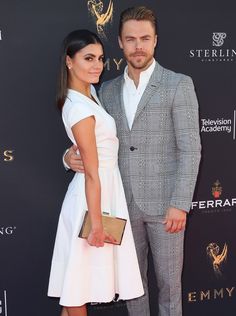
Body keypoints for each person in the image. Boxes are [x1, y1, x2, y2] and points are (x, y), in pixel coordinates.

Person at [64, 6, 201, 316]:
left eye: (145, 39)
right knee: (131, 286)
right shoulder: (105, 91)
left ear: (155, 41)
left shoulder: (178, 84)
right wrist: (67, 156)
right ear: (121, 42)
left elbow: (191, 149)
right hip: (120, 204)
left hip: (166, 205)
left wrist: (180, 202)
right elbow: (90, 139)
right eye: (131, 39)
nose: (138, 46)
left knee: (170, 287)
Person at [47, 29, 144, 316]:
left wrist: (67, 157)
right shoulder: (77, 107)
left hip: (101, 194)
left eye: (100, 58)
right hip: (91, 202)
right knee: (77, 292)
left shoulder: (89, 96)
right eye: (88, 58)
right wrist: (98, 223)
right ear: (69, 61)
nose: (97, 65)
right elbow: (91, 172)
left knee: (76, 287)